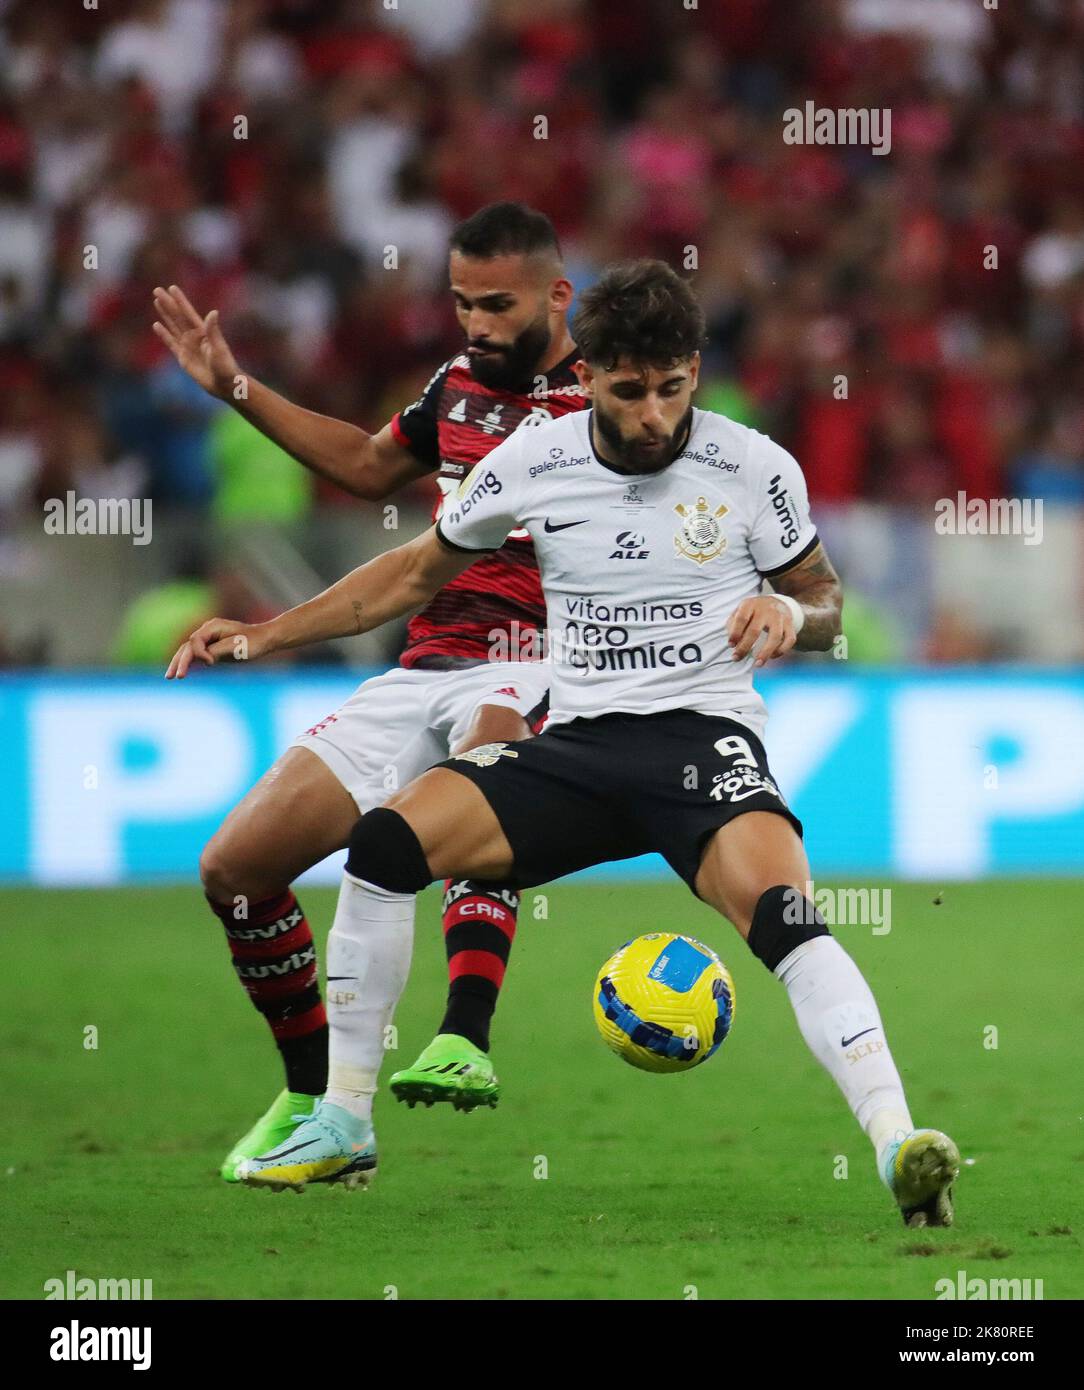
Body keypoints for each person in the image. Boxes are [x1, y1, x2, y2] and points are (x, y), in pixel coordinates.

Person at [168, 259, 960, 1229]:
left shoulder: (754, 467)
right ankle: (343, 1117)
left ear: (694, 370)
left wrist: (789, 615)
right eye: (629, 390)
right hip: (577, 744)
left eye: (673, 388)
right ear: (587, 375)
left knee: (785, 912)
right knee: (383, 845)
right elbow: (407, 578)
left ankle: (898, 1145)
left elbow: (830, 605)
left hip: (701, 737)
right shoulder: (533, 462)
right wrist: (263, 634)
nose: (654, 414)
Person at [153, 203, 585, 1181]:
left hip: (542, 657)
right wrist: (237, 388)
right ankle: (313, 1103)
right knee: (236, 869)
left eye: (499, 304)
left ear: (558, 297)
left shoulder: (619, 398)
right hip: (424, 660)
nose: (476, 324)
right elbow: (363, 465)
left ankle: (462, 1034)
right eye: (463, 302)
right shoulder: (460, 387)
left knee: (483, 765)